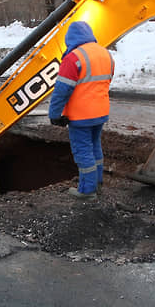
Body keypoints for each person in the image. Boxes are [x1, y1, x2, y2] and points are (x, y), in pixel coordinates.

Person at [48, 21, 114, 200]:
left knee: (83, 151)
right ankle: (97, 182)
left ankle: (87, 190)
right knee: (95, 147)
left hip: (81, 116)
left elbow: (62, 90)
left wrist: (54, 114)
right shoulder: (105, 53)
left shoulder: (74, 57)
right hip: (100, 112)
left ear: (71, 39)